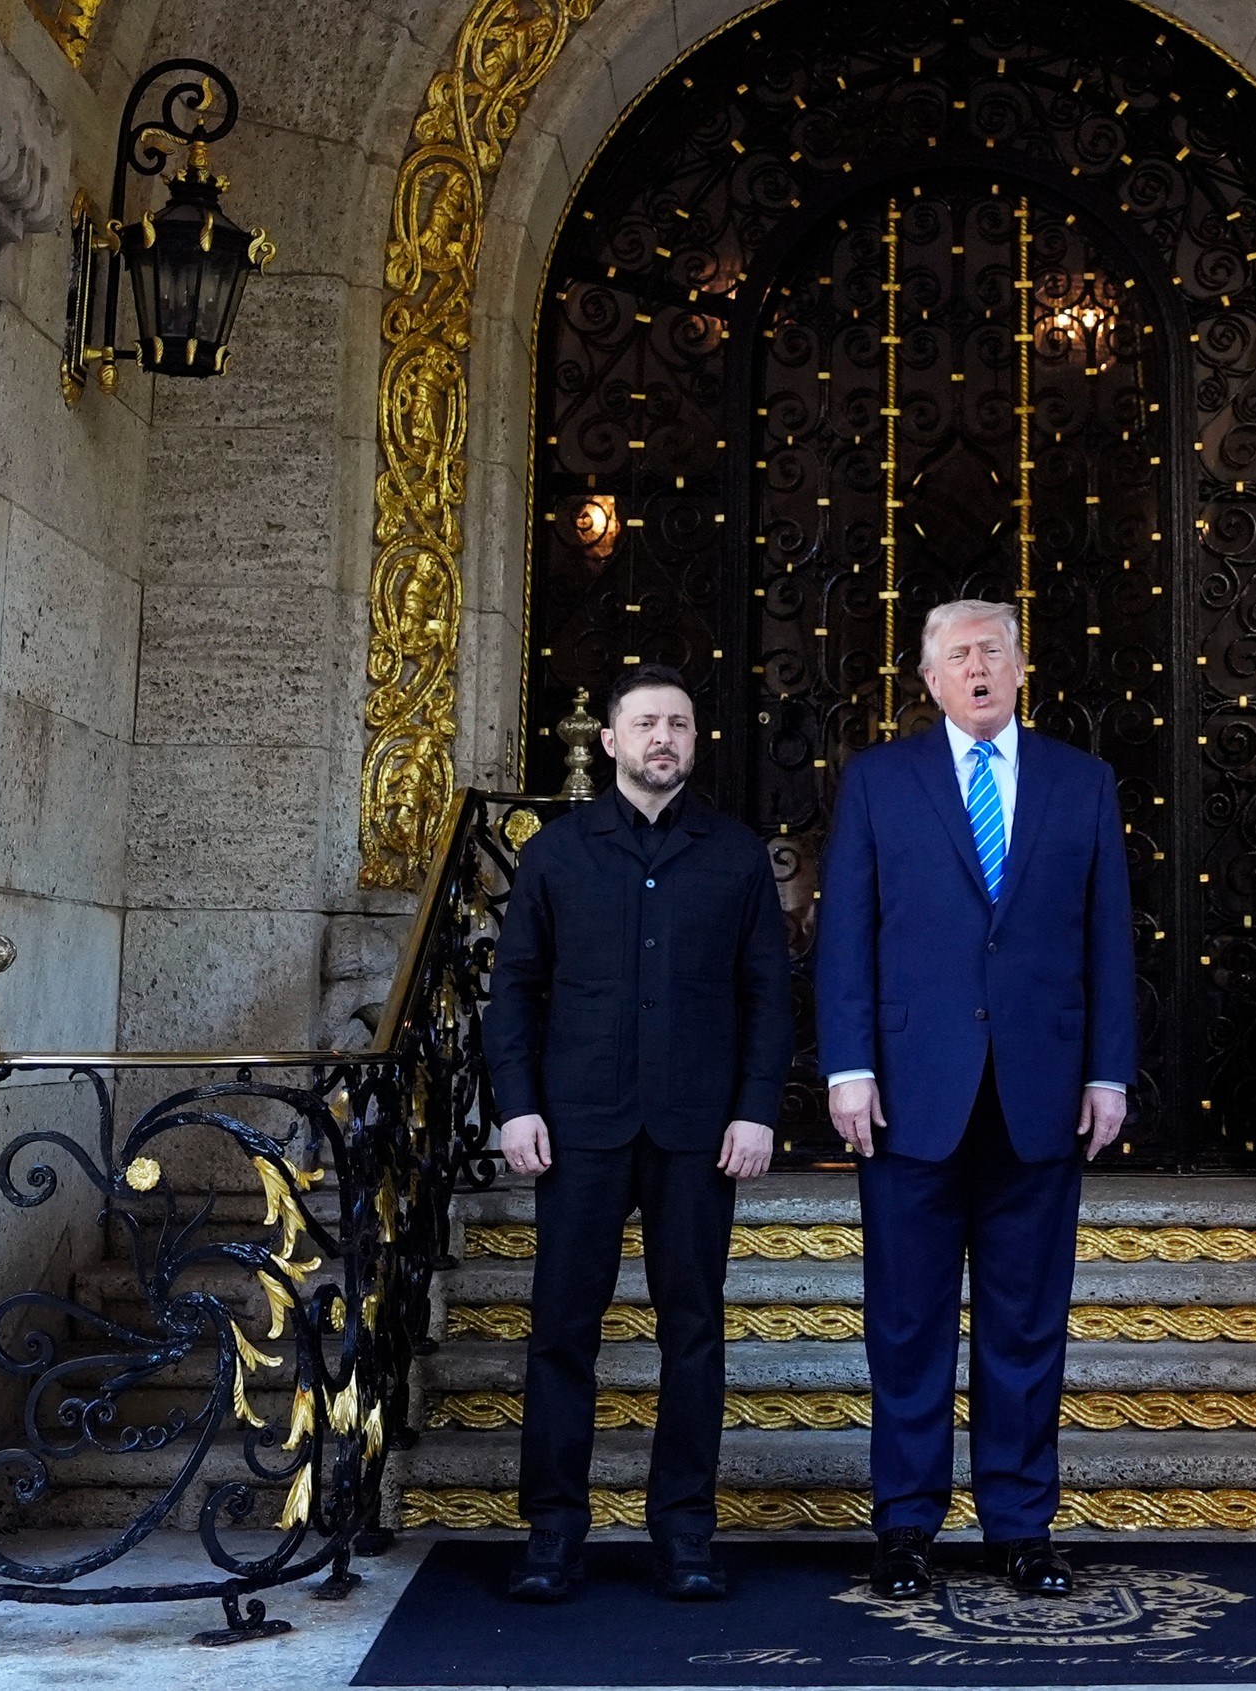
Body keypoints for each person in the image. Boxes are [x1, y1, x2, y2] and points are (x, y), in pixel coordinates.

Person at [815, 600, 1137, 1601]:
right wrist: (846, 1067)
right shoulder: (878, 781)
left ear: (1019, 667)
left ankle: (1019, 1526)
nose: (977, 668)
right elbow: (847, 937)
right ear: (928, 679)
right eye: (957, 655)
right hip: (910, 1096)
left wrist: (1107, 1071)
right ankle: (905, 1526)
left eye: (991, 651)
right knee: (906, 1325)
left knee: (1025, 1325)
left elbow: (1107, 940)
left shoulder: (1080, 783)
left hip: (1039, 1095)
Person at [484, 664, 793, 1604]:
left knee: (692, 1330)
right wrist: (518, 1103)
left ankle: (685, 1531)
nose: (665, 737)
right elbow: (515, 990)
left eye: (681, 724)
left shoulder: (735, 854)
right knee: (561, 1333)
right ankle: (554, 1532)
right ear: (609, 741)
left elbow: (768, 995)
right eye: (647, 723)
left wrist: (756, 1107)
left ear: (697, 743)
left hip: (701, 1130)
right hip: (576, 1125)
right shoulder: (557, 853)